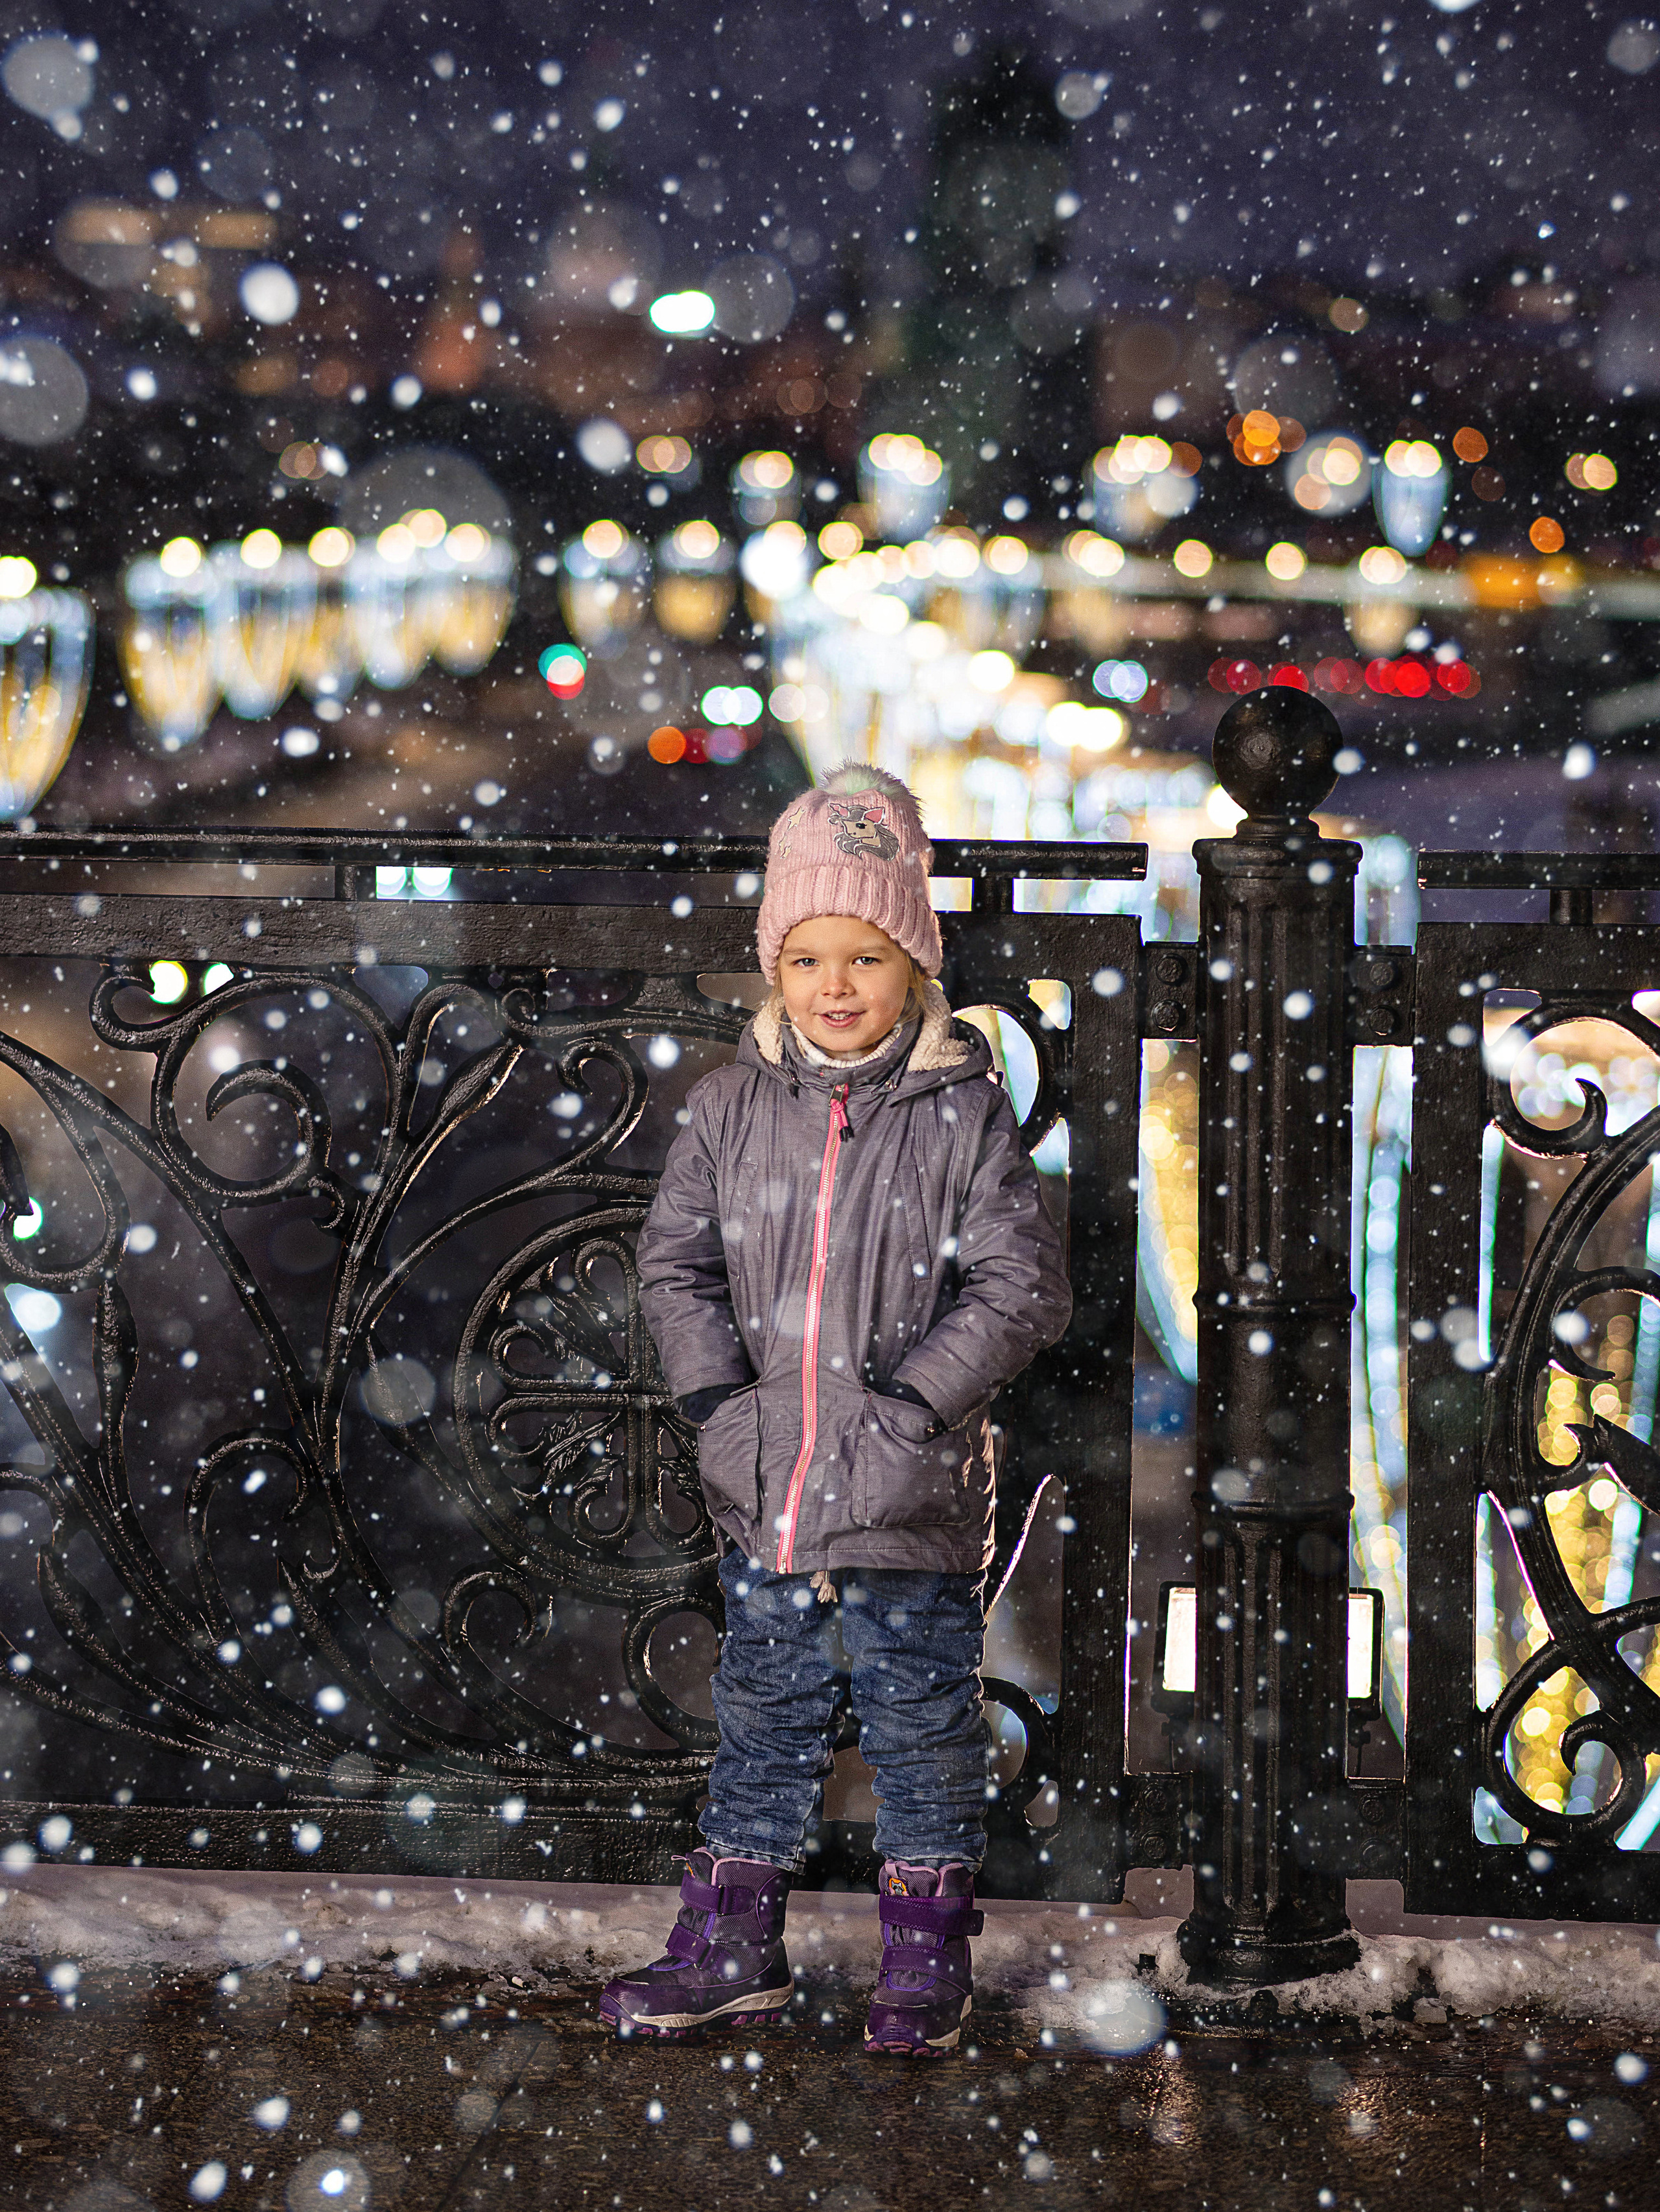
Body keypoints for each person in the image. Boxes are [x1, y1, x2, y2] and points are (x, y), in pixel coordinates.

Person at [599, 763, 1072, 2055]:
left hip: (906, 1491)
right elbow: (675, 1256)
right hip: (766, 1493)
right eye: (807, 956)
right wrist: (716, 1392)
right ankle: (733, 1940)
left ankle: (922, 1956)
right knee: (762, 1721)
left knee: (924, 1727)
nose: (835, 985)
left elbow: (1023, 1279)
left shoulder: (957, 1109)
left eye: (864, 956)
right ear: (775, 968)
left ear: (910, 965)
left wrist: (918, 1397)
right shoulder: (731, 1103)